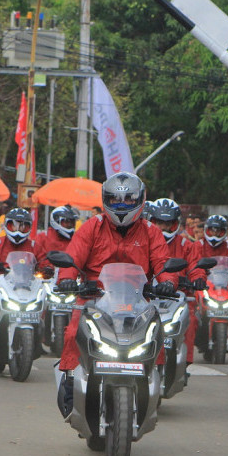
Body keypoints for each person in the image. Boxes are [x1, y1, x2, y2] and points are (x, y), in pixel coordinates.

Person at [55, 172, 177, 418]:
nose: (122, 206)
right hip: (94, 299)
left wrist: (167, 282)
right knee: (72, 334)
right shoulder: (92, 226)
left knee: (157, 336)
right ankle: (70, 384)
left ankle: (154, 383)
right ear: (105, 200)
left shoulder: (151, 232)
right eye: (116, 200)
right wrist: (67, 279)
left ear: (140, 200)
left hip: (138, 302)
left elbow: (163, 264)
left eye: (128, 201)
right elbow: (74, 255)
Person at [0, 208, 48, 357]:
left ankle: (38, 341)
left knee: (44, 300)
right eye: (14, 225)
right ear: (7, 225)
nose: (18, 229)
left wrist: (47, 270)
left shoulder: (34, 246)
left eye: (23, 226)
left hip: (26, 286)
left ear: (29, 227)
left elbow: (45, 263)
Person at [149, 198, 207, 365]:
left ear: (176, 223)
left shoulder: (186, 244)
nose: (164, 227)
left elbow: (196, 266)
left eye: (168, 223)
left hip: (178, 297)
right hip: (147, 296)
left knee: (191, 319)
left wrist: (198, 279)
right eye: (159, 222)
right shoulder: (144, 242)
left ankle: (185, 362)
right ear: (152, 221)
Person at [194, 214, 228, 350]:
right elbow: (193, 262)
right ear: (207, 230)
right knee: (192, 313)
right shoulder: (198, 245)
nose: (215, 233)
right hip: (204, 283)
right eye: (212, 230)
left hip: (224, 284)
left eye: (218, 231)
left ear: (224, 232)